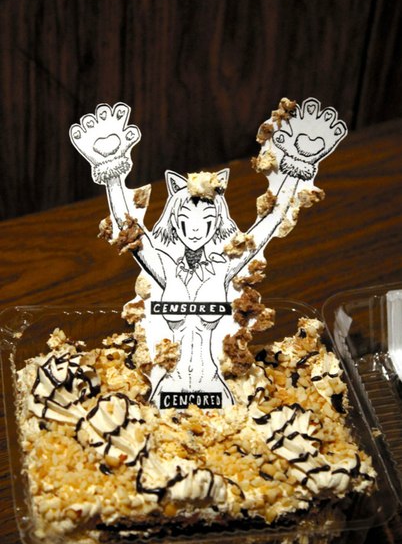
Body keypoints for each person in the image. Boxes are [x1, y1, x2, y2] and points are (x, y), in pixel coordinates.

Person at [70, 99, 347, 408]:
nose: (195, 229)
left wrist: (295, 166)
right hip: (164, 392)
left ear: (217, 223)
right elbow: (129, 230)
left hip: (216, 391)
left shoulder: (224, 267)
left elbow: (269, 223)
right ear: (174, 222)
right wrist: (111, 171)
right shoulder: (165, 268)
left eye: (206, 220)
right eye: (185, 220)